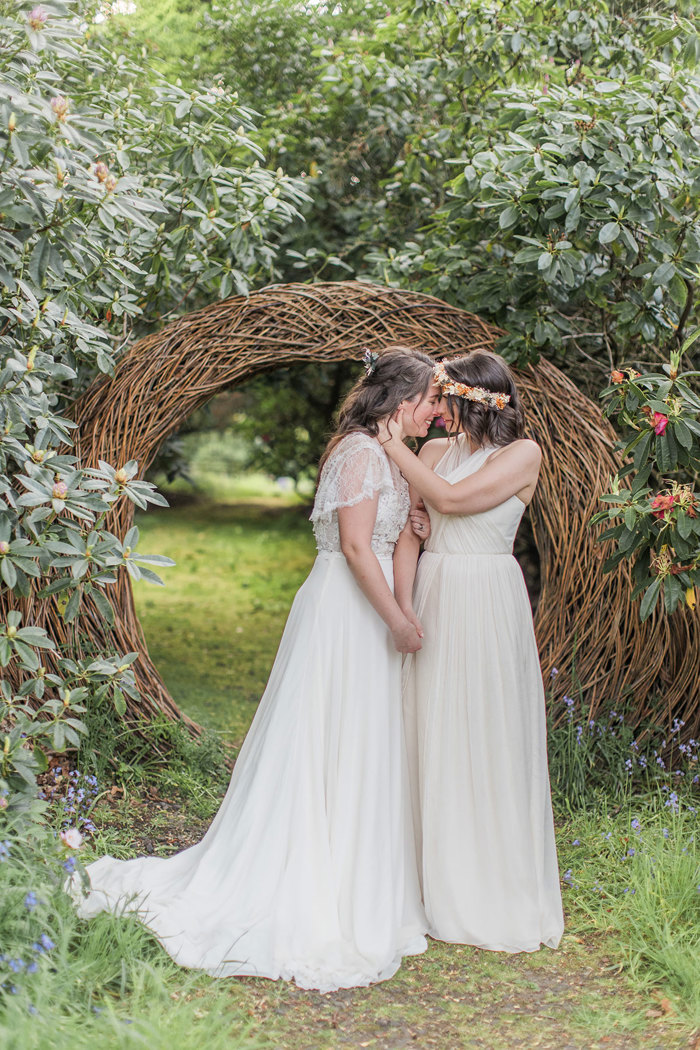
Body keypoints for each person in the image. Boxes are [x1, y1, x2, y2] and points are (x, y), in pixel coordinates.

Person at [72, 347, 442, 993]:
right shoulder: (358, 452)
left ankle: (350, 871)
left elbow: (380, 532)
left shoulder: (382, 455)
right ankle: (311, 879)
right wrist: (396, 620)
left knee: (354, 740)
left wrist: (408, 516)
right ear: (402, 401)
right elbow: (356, 547)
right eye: (430, 402)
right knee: (329, 735)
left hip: (364, 604)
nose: (436, 415)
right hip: (348, 610)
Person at [379, 351, 564, 953]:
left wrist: (391, 445)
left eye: (445, 399)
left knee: (482, 731)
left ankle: (483, 883)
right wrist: (403, 608)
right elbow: (413, 531)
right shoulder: (432, 452)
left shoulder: (522, 455)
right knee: (427, 727)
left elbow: (452, 505)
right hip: (434, 590)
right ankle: (425, 880)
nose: (436, 412)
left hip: (487, 598)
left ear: (474, 399)